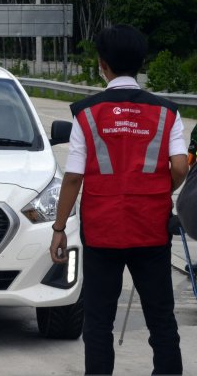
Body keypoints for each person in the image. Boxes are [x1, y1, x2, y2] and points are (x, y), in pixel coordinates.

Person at [49, 24, 188, 375]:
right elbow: (180, 166)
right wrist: (158, 187)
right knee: (161, 321)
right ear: (141, 63)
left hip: (102, 229)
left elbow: (75, 176)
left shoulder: (87, 112)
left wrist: (60, 227)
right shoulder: (167, 112)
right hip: (151, 229)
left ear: (102, 64)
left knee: (98, 321)